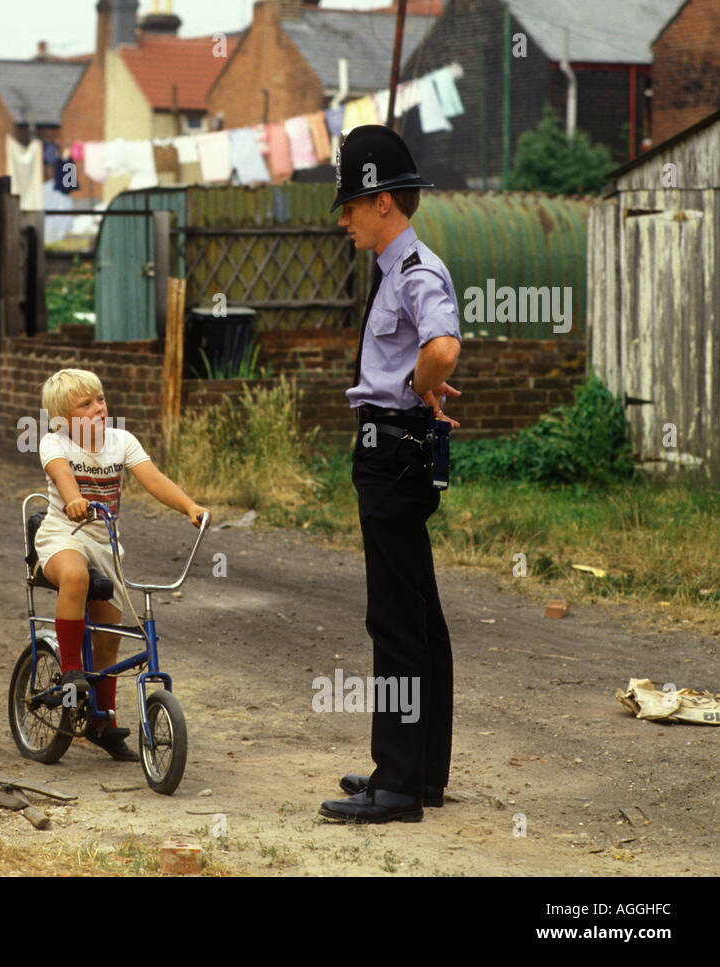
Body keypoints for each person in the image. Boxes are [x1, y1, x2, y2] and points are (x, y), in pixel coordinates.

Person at [318, 125, 462, 824]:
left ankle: (397, 783)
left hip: (393, 451)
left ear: (381, 204)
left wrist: (415, 386)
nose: (343, 218)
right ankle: (423, 771)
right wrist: (420, 389)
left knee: (395, 620)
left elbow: (442, 346)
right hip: (402, 448)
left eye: (350, 204)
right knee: (421, 615)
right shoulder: (397, 272)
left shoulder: (415, 272)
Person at [34, 369, 208, 762]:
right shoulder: (54, 441)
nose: (98, 408)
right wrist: (74, 498)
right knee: (75, 575)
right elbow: (62, 475)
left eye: (100, 399)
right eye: (86, 404)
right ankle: (72, 671)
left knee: (110, 635)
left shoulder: (120, 441)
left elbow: (153, 479)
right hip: (63, 536)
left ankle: (104, 722)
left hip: (104, 544)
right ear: (63, 418)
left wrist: (189, 507)